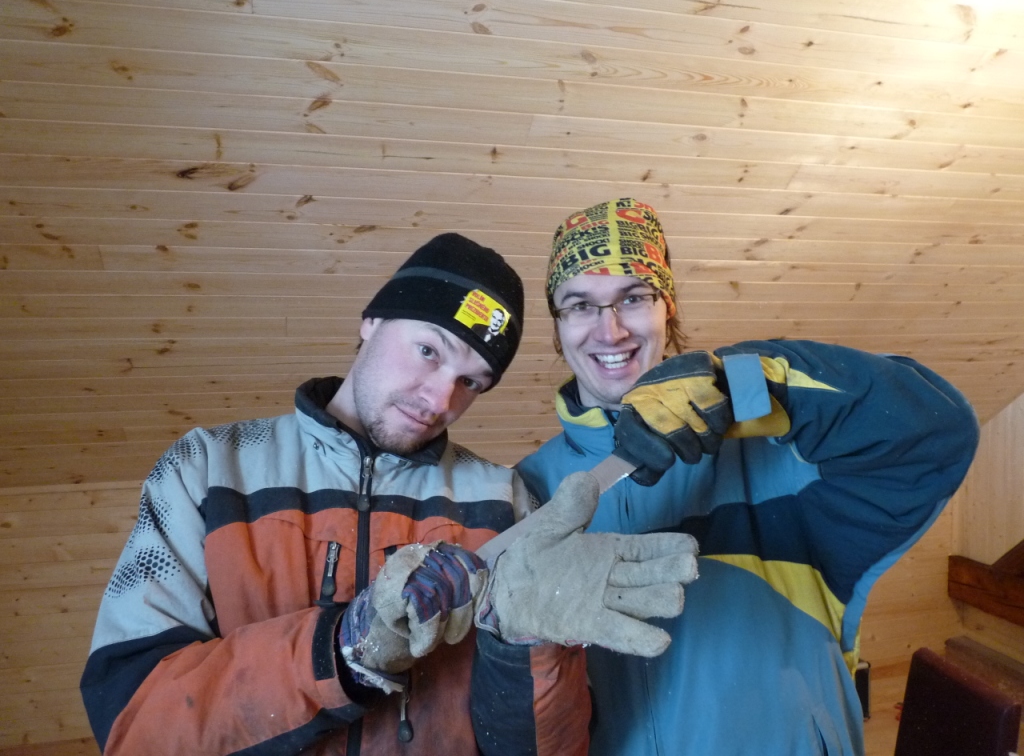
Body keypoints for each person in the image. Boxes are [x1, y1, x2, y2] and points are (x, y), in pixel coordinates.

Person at [80, 232, 700, 756]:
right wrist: (343, 648)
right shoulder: (209, 468)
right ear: (371, 320)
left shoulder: (502, 498)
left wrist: (528, 649)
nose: (439, 399)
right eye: (428, 350)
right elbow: (134, 724)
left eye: (471, 382)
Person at [515, 198, 981, 756]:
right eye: (579, 305)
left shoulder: (788, 453)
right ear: (558, 324)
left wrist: (746, 384)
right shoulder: (526, 490)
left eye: (633, 298)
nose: (609, 330)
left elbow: (939, 429)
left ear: (667, 307)